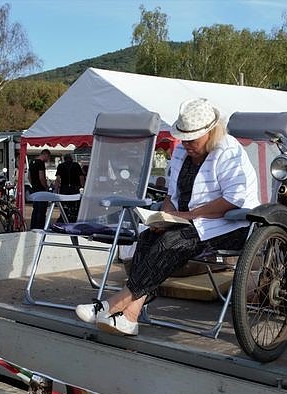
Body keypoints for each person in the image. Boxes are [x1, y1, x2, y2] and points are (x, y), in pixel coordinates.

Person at [75, 98, 259, 335]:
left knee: (172, 243)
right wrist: (165, 216)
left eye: (193, 139)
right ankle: (130, 317)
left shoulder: (229, 151)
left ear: (211, 133)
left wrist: (188, 215)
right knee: (148, 238)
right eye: (183, 138)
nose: (187, 143)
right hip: (189, 222)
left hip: (231, 225)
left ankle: (114, 304)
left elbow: (233, 200)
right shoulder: (182, 150)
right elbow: (173, 194)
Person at [54, 153, 85, 222]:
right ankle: (74, 217)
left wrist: (56, 189)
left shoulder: (61, 166)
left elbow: (58, 178)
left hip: (64, 188)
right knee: (75, 204)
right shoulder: (76, 165)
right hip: (75, 187)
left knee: (64, 204)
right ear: (71, 159)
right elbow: (81, 177)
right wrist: (82, 186)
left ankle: (64, 217)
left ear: (64, 159)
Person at [29, 149, 51, 230]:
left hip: (34, 188)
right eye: (48, 157)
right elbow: (42, 177)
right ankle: (40, 227)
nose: (47, 159)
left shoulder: (32, 162)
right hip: (41, 189)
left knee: (35, 209)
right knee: (42, 210)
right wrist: (45, 187)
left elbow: (29, 177)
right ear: (45, 155)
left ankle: (33, 226)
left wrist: (33, 184)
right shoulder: (40, 163)